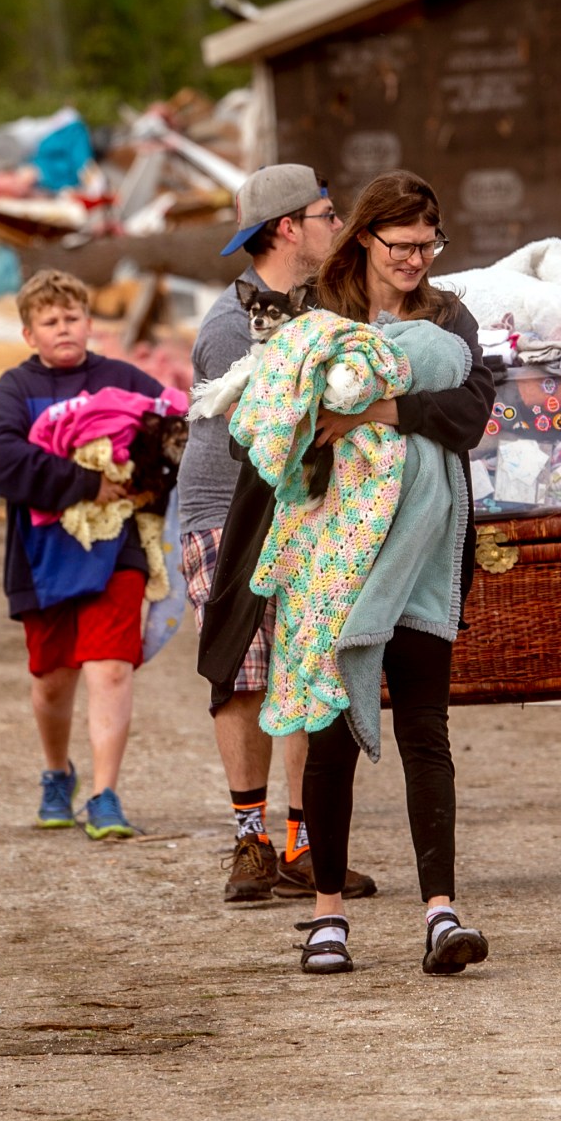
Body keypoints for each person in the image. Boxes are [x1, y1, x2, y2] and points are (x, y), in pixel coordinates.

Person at [202, 170, 496, 974]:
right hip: (329, 552)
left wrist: (370, 410)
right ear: (365, 237)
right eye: (400, 245)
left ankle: (442, 911)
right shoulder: (313, 317)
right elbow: (256, 426)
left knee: (425, 731)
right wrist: (306, 418)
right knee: (327, 731)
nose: (415, 260)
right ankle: (327, 914)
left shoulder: (450, 316)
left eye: (427, 245)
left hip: (425, 555)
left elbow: (471, 414)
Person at [182, 164, 373, 902]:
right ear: (289, 226)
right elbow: (267, 433)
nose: (338, 226)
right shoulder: (232, 326)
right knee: (243, 671)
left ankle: (301, 845)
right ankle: (250, 841)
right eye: (327, 215)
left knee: (303, 670)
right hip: (225, 512)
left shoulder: (329, 304)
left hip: (300, 507)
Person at [0, 267, 170, 839]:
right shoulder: (16, 390)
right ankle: (56, 773)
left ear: (90, 323)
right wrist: (88, 483)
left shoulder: (124, 379)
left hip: (117, 549)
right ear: (28, 334)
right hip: (42, 556)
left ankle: (105, 794)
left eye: (72, 318)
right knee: (51, 678)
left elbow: (174, 437)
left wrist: (144, 483)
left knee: (111, 668)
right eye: (49, 321)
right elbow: (7, 465)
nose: (63, 328)